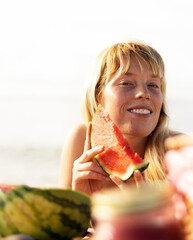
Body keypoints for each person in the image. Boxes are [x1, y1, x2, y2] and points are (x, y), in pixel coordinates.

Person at [59, 41, 175, 196]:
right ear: (98, 96)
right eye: (126, 83)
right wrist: (82, 201)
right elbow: (67, 218)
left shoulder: (178, 150)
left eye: (153, 85)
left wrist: (146, 210)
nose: (143, 93)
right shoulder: (81, 139)